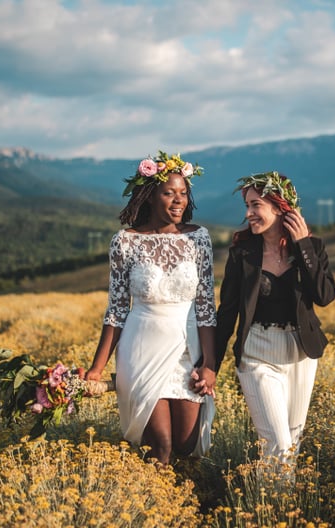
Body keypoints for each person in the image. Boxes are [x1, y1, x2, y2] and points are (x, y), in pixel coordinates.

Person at [85, 151, 217, 465]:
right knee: (161, 447)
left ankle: (184, 500)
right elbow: (116, 311)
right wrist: (96, 369)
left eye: (183, 193)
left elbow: (206, 308)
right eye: (169, 193)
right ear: (149, 195)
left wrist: (210, 364)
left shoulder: (199, 239)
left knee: (186, 446)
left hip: (188, 349)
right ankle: (156, 510)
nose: (178, 201)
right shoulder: (125, 241)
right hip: (142, 347)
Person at [214, 171, 335, 464]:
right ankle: (270, 508)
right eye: (247, 206)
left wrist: (303, 244)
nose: (248, 214)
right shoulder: (241, 254)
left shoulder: (313, 248)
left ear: (279, 207)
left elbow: (324, 295)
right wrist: (211, 367)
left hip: (301, 354)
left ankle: (279, 508)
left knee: (292, 444)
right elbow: (227, 312)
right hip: (258, 352)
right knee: (278, 444)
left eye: (255, 205)